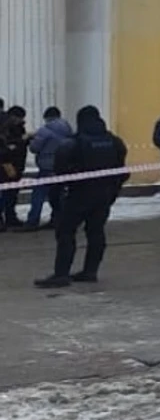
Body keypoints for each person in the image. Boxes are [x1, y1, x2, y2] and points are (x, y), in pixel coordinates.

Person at [35, 106, 129, 288]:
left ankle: (61, 274)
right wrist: (112, 192)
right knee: (96, 232)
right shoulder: (114, 141)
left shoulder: (73, 143)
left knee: (65, 232)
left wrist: (57, 200)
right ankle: (90, 271)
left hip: (78, 195)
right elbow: (122, 172)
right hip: (104, 195)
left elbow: (60, 174)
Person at [25, 106, 74, 230]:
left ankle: (32, 220)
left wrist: (31, 140)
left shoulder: (44, 130)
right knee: (59, 194)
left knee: (38, 194)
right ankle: (58, 219)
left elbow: (34, 148)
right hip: (62, 166)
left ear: (46, 117)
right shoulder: (68, 129)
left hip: (46, 166)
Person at [0, 107, 28, 230]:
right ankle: (8, 218)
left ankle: (10, 217)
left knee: (11, 193)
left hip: (14, 163)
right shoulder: (5, 128)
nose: (20, 120)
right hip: (6, 163)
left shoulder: (18, 127)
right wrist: (20, 142)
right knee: (8, 192)